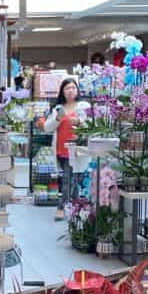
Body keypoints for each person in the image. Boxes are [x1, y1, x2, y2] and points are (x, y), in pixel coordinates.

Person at [43, 77, 90, 220]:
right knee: (71, 180)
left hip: (78, 149)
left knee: (69, 179)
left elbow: (92, 126)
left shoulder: (84, 106)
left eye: (73, 88)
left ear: (77, 90)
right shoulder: (58, 108)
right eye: (67, 88)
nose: (71, 91)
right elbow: (47, 128)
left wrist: (80, 121)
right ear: (62, 91)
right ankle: (77, 208)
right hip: (61, 149)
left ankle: (61, 207)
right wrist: (57, 118)